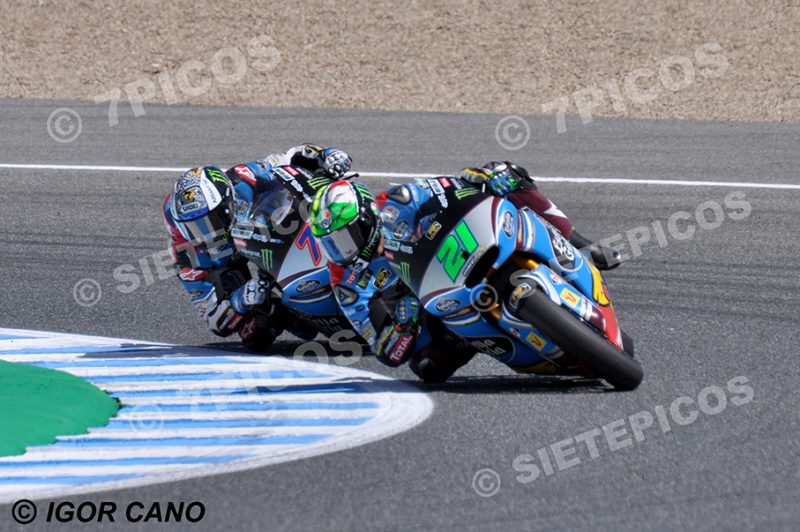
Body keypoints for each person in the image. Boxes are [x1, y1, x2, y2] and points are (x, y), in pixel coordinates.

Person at [309, 161, 619, 382]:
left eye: (343, 240)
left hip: (459, 251)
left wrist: (481, 178)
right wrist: (402, 326)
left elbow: (449, 187)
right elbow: (383, 349)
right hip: (432, 306)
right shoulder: (346, 284)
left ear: (365, 216)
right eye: (331, 245)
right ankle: (471, 340)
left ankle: (580, 243)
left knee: (506, 174)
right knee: (427, 367)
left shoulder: (397, 200)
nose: (341, 252)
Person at [163, 144, 352, 346]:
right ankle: (292, 315)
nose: (203, 233)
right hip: (232, 264)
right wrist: (241, 299)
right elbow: (214, 319)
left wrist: (325, 155)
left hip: (265, 232)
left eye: (207, 222)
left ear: (226, 203)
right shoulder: (186, 253)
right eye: (192, 227)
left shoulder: (244, 176)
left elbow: (292, 157)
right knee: (255, 333)